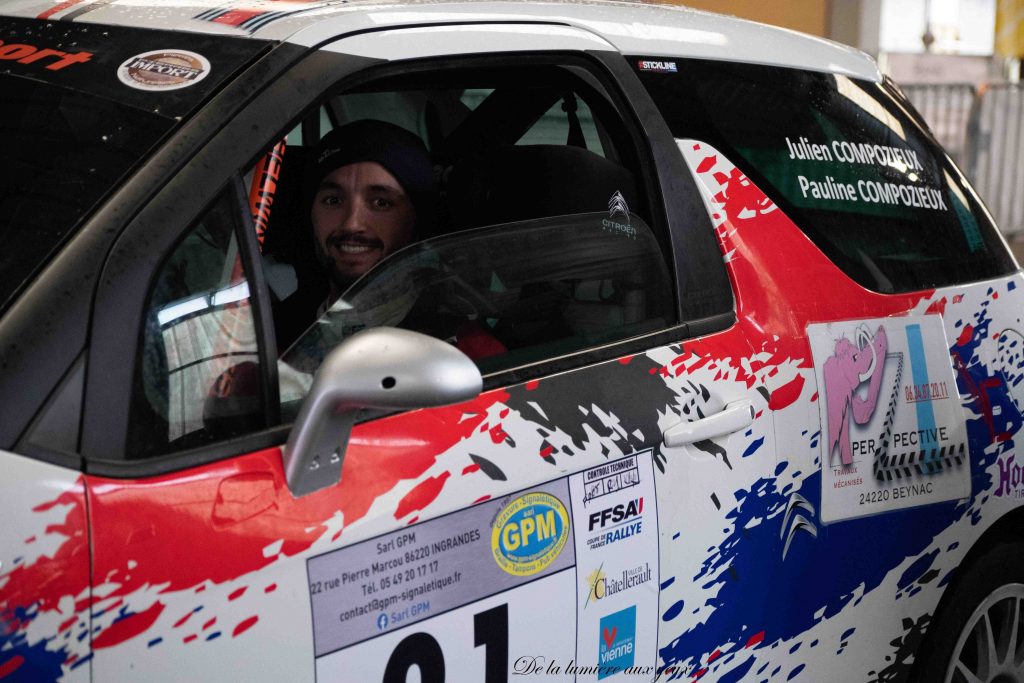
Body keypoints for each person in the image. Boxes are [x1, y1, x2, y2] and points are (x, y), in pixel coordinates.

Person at [274, 119, 437, 352]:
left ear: (417, 217)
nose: (352, 224)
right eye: (333, 201)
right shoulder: (269, 335)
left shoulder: (455, 341)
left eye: (381, 203)